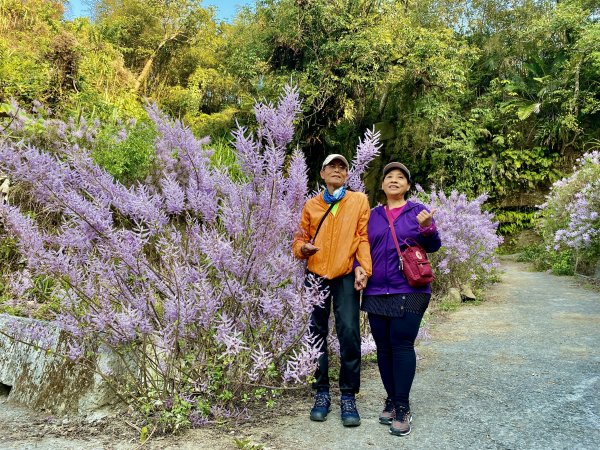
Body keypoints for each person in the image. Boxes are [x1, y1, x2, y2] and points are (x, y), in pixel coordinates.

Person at [361, 162, 441, 436]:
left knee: (402, 344)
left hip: (410, 289)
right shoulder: (372, 216)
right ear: (382, 185)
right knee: (383, 348)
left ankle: (403, 407)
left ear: (407, 186)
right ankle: (392, 399)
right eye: (389, 177)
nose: (394, 180)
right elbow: (361, 248)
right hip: (375, 290)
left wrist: (428, 227)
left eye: (400, 178)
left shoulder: (417, 211)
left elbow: (433, 246)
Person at [292, 154, 371, 427]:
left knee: (349, 331)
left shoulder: (358, 200)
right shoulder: (312, 205)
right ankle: (321, 392)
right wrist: (303, 249)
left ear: (347, 175)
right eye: (331, 167)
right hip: (316, 275)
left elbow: (362, 237)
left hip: (346, 274)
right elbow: (300, 239)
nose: (337, 170)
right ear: (322, 174)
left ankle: (348, 395)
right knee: (316, 333)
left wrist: (363, 267)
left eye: (342, 167)